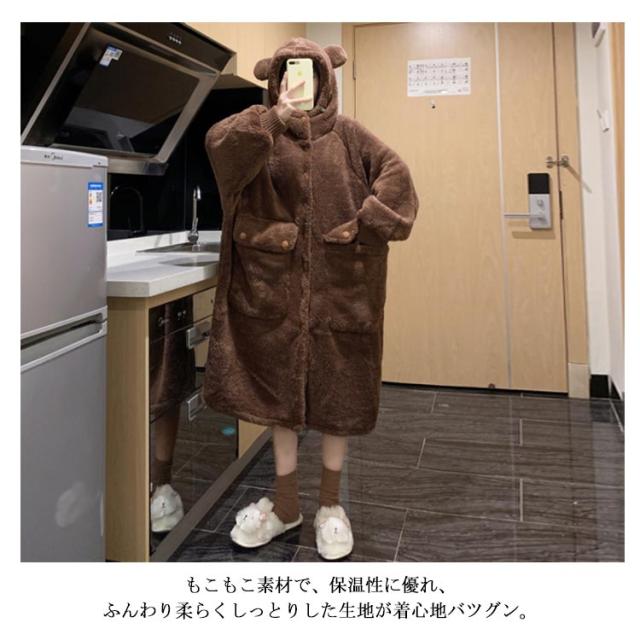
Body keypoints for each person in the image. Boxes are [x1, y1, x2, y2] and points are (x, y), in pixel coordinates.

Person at [203, 38, 419, 560]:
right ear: (274, 79)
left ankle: (329, 506)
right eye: (286, 72)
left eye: (307, 72)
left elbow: (398, 178)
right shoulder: (259, 131)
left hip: (342, 293)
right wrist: (274, 118)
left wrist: (365, 226)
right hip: (270, 296)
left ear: (326, 79)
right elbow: (219, 148)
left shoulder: (349, 136)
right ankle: (284, 505)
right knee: (278, 398)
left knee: (339, 397)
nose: (298, 81)